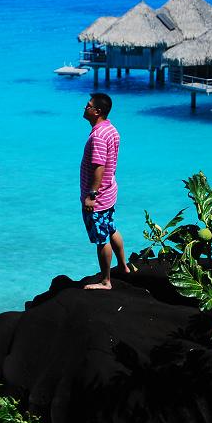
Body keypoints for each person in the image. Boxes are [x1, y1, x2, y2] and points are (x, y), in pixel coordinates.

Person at [80, 92, 130, 290]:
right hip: (109, 192)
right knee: (111, 229)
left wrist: (91, 195)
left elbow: (99, 167)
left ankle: (106, 281)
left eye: (88, 105)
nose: (85, 108)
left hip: (99, 198)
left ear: (97, 111)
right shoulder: (111, 130)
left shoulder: (98, 136)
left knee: (101, 239)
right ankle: (124, 266)